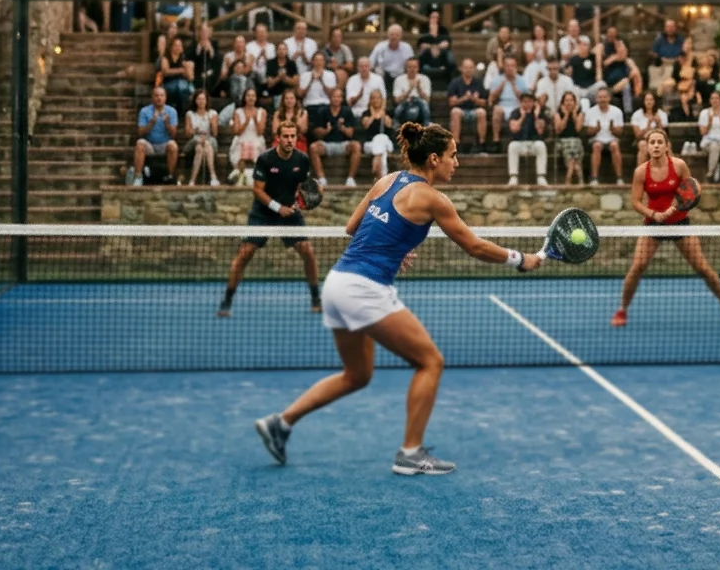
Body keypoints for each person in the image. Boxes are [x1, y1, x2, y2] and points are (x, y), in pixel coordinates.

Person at [252, 123, 549, 476]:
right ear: (435, 158)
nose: (457, 163)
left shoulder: (388, 180)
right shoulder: (433, 198)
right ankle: (410, 453)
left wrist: (394, 247)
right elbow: (474, 246)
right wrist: (521, 260)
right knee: (430, 362)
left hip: (337, 283)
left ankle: (280, 424)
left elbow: (352, 227)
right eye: (453, 156)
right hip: (364, 288)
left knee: (357, 375)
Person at [613, 127, 720, 329]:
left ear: (666, 146)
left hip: (680, 225)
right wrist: (654, 214)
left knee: (703, 268)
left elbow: (689, 191)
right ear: (647, 147)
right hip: (653, 227)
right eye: (652, 142)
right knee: (637, 268)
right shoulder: (640, 172)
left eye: (659, 142)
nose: (655, 146)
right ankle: (622, 310)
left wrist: (674, 209)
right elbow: (636, 203)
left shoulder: (679, 166)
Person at [219, 120, 321, 318]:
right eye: (286, 136)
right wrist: (277, 207)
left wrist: (301, 203)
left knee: (308, 251)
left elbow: (304, 188)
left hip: (289, 212)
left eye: (293, 136)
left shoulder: (302, 160)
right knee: (245, 253)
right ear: (278, 138)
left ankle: (316, 298)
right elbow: (257, 190)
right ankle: (227, 301)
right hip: (264, 211)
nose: (290, 140)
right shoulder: (265, 159)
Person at [309, 86, 362, 188]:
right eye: (334, 96)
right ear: (330, 98)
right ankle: (321, 178)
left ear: (342, 99)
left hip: (343, 144)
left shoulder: (347, 111)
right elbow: (316, 132)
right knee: (313, 147)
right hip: (326, 144)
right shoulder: (322, 111)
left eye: (339, 97)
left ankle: (350, 179)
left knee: (356, 146)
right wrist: (326, 131)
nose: (336, 99)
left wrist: (343, 128)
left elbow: (351, 133)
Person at [134, 85, 180, 185]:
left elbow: (174, 134)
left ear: (165, 97)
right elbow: (140, 132)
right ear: (152, 98)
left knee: (173, 145)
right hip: (150, 144)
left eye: (161, 95)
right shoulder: (145, 111)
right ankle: (137, 177)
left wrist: (167, 124)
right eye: (156, 96)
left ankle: (170, 176)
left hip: (165, 144)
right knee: (140, 143)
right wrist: (152, 122)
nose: (159, 98)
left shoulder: (171, 111)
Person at [447, 58, 489, 153]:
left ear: (474, 69)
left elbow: (484, 102)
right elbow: (451, 102)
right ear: (461, 68)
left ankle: (481, 143)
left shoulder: (478, 82)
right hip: (461, 109)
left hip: (474, 109)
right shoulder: (455, 82)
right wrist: (464, 98)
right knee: (455, 112)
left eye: (470, 68)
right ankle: (456, 143)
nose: (468, 70)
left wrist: (476, 100)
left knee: (482, 112)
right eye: (466, 67)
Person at [506, 92, 548, 186]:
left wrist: (536, 117)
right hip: (520, 143)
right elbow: (514, 128)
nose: (527, 104)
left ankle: (541, 176)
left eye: (529, 101)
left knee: (541, 146)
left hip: (534, 143)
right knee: (512, 146)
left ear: (533, 102)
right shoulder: (515, 113)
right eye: (524, 102)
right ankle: (513, 177)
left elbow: (540, 130)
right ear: (521, 103)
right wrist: (522, 117)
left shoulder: (539, 113)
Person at [487, 55, 530, 148]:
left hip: (517, 106)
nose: (510, 68)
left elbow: (526, 100)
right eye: (507, 65)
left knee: (524, 111)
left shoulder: (521, 80)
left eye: (512, 66)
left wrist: (514, 85)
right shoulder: (497, 79)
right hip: (502, 105)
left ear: (515, 67)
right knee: (497, 110)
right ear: (503, 66)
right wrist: (501, 86)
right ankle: (496, 141)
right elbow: (491, 99)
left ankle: (521, 140)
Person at [586, 85, 625, 186]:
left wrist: (613, 129)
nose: (602, 99)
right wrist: (596, 129)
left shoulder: (617, 111)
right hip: (597, 139)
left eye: (604, 97)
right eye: (600, 97)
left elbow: (620, 132)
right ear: (596, 99)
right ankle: (594, 178)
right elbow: (588, 132)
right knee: (597, 146)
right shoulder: (590, 112)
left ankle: (619, 178)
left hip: (612, 138)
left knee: (614, 145)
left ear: (609, 98)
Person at [229, 87, 269, 184]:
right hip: (242, 138)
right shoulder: (238, 111)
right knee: (240, 146)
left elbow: (260, 132)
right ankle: (239, 175)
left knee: (255, 146)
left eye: (253, 96)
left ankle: (256, 176)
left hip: (256, 138)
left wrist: (255, 120)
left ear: (256, 98)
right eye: (248, 96)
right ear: (244, 98)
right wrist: (246, 121)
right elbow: (237, 132)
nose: (251, 98)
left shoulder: (262, 111)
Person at [184, 89, 220, 186]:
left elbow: (215, 134)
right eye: (199, 99)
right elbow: (188, 134)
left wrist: (212, 124)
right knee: (199, 143)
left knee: (202, 147)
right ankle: (213, 176)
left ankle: (192, 180)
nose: (201, 101)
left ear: (207, 100)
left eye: (203, 99)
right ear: (195, 101)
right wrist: (196, 131)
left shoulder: (213, 113)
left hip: (210, 140)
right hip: (194, 140)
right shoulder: (190, 114)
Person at [698, 90, 720, 183]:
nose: (715, 100)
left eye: (717, 98)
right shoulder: (704, 113)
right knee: (714, 147)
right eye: (712, 98)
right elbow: (703, 133)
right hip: (708, 141)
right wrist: (709, 122)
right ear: (710, 100)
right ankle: (711, 172)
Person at [361, 92, 398, 179]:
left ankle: (377, 168)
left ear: (382, 100)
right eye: (373, 98)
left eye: (378, 98)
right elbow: (366, 125)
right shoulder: (366, 113)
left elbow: (389, 124)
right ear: (370, 100)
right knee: (382, 152)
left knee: (381, 137)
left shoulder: (387, 113)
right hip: (370, 144)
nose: (376, 100)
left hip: (387, 143)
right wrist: (373, 115)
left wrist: (383, 113)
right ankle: (381, 176)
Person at [553, 91, 587, 186]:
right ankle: (578, 177)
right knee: (571, 149)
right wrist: (566, 115)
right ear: (562, 103)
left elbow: (577, 128)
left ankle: (569, 175)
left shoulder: (580, 114)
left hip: (576, 140)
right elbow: (559, 130)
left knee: (574, 145)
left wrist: (574, 114)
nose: (569, 102)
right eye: (566, 100)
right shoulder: (557, 114)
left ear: (575, 102)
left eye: (571, 100)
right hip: (562, 141)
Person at [630, 90, 667, 166]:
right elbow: (638, 136)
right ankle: (640, 173)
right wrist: (648, 126)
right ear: (643, 101)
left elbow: (664, 134)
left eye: (651, 100)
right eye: (647, 100)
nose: (649, 102)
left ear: (655, 101)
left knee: (667, 145)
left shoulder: (662, 114)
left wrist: (659, 123)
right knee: (643, 145)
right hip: (642, 140)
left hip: (658, 139)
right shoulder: (636, 114)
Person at [393, 58, 433, 127]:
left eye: (414, 67)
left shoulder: (425, 79)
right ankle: (396, 126)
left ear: (418, 68)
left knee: (423, 105)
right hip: (405, 105)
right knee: (400, 109)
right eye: (409, 67)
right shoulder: (399, 79)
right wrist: (409, 90)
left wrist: (419, 89)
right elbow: (397, 100)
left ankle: (426, 126)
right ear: (406, 68)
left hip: (420, 106)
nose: (412, 69)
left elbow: (427, 100)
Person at [416, 11, 454, 83]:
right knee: (419, 58)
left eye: (436, 17)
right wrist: (432, 47)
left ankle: (449, 82)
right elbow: (421, 44)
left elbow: (447, 43)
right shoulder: (424, 29)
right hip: (427, 53)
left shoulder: (443, 29)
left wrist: (437, 47)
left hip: (442, 53)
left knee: (451, 60)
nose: (434, 19)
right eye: (433, 17)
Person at [299, 51, 337, 120]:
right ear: (312, 62)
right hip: (309, 104)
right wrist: (311, 81)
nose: (319, 63)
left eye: (321, 60)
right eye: (316, 60)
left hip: (325, 104)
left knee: (323, 112)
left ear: (324, 62)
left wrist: (321, 81)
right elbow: (301, 94)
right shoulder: (305, 75)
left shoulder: (331, 75)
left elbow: (331, 94)